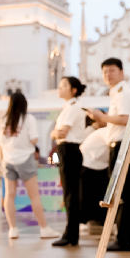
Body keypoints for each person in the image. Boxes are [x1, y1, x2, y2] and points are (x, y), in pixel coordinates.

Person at [85, 58, 130, 251]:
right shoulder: (116, 92)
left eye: (111, 71)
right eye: (104, 72)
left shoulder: (123, 92)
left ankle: (126, 239)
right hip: (119, 144)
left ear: (122, 72)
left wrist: (103, 117)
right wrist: (103, 121)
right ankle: (123, 237)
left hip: (124, 145)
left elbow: (125, 119)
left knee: (124, 193)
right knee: (121, 192)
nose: (107, 75)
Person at [0, 90, 60, 240]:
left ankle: (13, 229)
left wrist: (2, 161)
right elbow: (34, 140)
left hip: (7, 160)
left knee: (9, 195)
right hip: (25, 159)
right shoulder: (28, 119)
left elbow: (0, 144)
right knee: (34, 196)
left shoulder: (3, 120)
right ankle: (44, 228)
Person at [50, 77, 88, 246]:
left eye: (64, 85)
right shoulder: (67, 107)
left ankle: (71, 234)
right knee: (70, 193)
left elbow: (61, 133)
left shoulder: (73, 108)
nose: (60, 87)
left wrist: (53, 133)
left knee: (71, 194)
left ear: (73, 90)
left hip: (70, 150)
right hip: (67, 150)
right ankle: (71, 233)